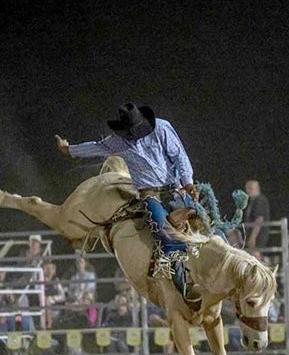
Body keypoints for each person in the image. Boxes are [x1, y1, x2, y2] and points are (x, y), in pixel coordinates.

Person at [55, 103, 200, 302]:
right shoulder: (118, 142)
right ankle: (184, 285)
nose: (136, 136)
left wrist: (188, 183)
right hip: (150, 194)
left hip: (175, 187)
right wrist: (69, 150)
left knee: (203, 217)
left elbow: (179, 156)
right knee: (163, 231)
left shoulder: (162, 128)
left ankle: (221, 258)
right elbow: (96, 148)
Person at [243, 180, 270, 250]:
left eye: (250, 188)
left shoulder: (259, 200)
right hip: (254, 233)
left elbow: (259, 219)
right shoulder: (252, 201)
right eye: (247, 188)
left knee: (255, 254)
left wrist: (253, 237)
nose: (247, 191)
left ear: (257, 189)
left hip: (258, 235)